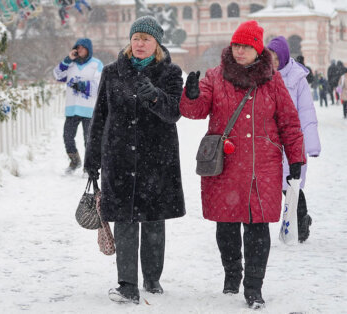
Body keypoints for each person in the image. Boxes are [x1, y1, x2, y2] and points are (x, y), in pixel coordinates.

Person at [180, 21, 305, 309]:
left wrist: (295, 159)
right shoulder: (215, 76)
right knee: (226, 227)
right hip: (224, 166)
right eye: (236, 45)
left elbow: (289, 122)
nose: (240, 51)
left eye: (246, 46)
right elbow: (195, 112)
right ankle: (231, 275)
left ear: (257, 48)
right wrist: (192, 94)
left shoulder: (272, 81)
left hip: (263, 168)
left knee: (258, 228)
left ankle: (253, 288)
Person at [84, 16, 185, 304]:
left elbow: (174, 113)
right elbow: (100, 116)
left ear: (157, 44)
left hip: (158, 159)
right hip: (119, 157)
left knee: (153, 221)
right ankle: (127, 284)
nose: (140, 44)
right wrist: (92, 158)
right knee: (125, 221)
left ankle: (152, 279)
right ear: (130, 41)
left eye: (147, 39)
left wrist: (156, 98)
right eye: (136, 38)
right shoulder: (113, 72)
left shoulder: (170, 73)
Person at [267, 36, 321, 243]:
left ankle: (301, 221)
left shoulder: (297, 78)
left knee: (291, 184)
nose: (272, 62)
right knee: (274, 184)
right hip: (270, 141)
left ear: (283, 57)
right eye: (269, 58)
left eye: (275, 59)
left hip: (292, 141)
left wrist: (312, 145)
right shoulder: (263, 76)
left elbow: (307, 113)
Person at [53, 38, 103, 173]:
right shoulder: (71, 64)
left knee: (89, 140)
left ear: (88, 49)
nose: (79, 50)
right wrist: (67, 60)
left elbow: (100, 84)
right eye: (77, 47)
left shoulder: (96, 64)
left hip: (89, 109)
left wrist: (83, 86)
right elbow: (57, 75)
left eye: (82, 48)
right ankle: (75, 161)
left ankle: (89, 166)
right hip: (72, 108)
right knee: (67, 137)